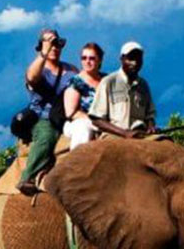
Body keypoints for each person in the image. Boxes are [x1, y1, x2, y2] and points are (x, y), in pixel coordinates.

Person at [17, 28, 79, 195]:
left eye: (57, 43)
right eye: (49, 43)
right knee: (47, 136)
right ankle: (27, 177)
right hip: (43, 118)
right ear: (41, 46)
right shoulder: (38, 69)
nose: (54, 47)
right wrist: (43, 54)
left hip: (68, 117)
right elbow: (31, 77)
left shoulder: (71, 70)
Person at [88, 41, 157, 139]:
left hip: (140, 134)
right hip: (113, 135)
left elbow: (150, 115)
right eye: (131, 58)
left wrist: (151, 126)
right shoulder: (108, 82)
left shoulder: (143, 85)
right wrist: (124, 133)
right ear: (122, 59)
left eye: (138, 58)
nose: (135, 62)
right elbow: (96, 119)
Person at [61, 42, 105, 150]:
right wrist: (95, 122)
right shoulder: (75, 82)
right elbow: (71, 113)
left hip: (105, 121)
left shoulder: (106, 80)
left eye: (92, 58)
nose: (87, 61)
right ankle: (76, 164)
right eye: (84, 58)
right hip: (79, 122)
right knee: (83, 128)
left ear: (100, 60)